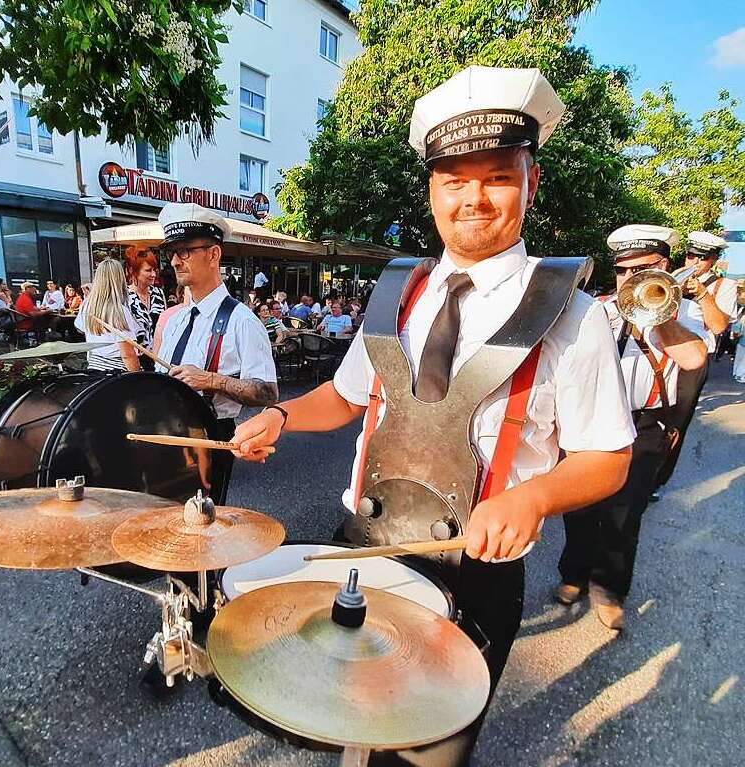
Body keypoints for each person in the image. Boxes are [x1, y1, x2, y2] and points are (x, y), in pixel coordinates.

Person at [231, 66, 635, 766]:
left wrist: (534, 496)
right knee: (344, 717)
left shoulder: (572, 313)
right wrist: (283, 418)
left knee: (424, 756)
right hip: (361, 546)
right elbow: (347, 396)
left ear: (530, 183)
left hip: (473, 577)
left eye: (498, 176)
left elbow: (609, 456)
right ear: (432, 191)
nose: (473, 198)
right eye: (454, 179)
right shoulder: (399, 296)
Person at [557, 225, 707, 629]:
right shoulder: (599, 309)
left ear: (664, 267)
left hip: (645, 425)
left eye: (642, 269)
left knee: (624, 514)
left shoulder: (683, 311)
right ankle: (573, 574)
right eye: (623, 271)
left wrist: (659, 319)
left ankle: (609, 589)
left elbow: (694, 360)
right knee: (579, 506)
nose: (631, 279)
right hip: (593, 419)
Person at [156, 202, 278, 503]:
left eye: (184, 251)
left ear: (214, 254)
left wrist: (212, 380)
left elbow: (267, 392)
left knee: (202, 530)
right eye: (171, 253)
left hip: (209, 439)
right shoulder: (177, 320)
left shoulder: (242, 321)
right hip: (162, 434)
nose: (174, 261)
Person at [653, 231, 736, 500]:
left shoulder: (724, 286)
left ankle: (657, 478)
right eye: (691, 255)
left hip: (693, 362)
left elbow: (719, 326)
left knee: (676, 422)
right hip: (662, 351)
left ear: (712, 260)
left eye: (702, 258)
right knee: (648, 412)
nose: (695, 261)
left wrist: (703, 295)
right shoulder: (676, 275)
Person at [74, 258, 142, 372]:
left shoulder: (87, 305)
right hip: (117, 373)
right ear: (119, 279)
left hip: (94, 368)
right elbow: (127, 354)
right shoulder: (120, 311)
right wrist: (138, 377)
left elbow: (80, 328)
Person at [126, 248, 167, 347]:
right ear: (133, 271)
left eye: (154, 270)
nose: (153, 274)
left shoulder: (158, 293)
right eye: (148, 270)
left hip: (160, 355)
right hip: (136, 357)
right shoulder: (124, 297)